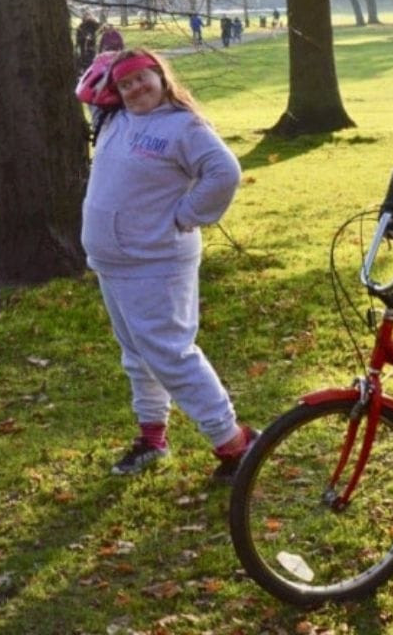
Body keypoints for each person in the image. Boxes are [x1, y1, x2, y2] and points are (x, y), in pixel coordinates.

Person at [80, 47, 256, 480]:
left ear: (161, 76)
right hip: (113, 262)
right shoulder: (115, 120)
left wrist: (187, 215)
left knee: (171, 354)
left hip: (155, 261)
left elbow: (225, 171)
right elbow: (86, 88)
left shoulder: (183, 125)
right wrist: (108, 68)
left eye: (142, 77)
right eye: (125, 84)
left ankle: (236, 443)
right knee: (137, 354)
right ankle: (152, 438)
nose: (135, 89)